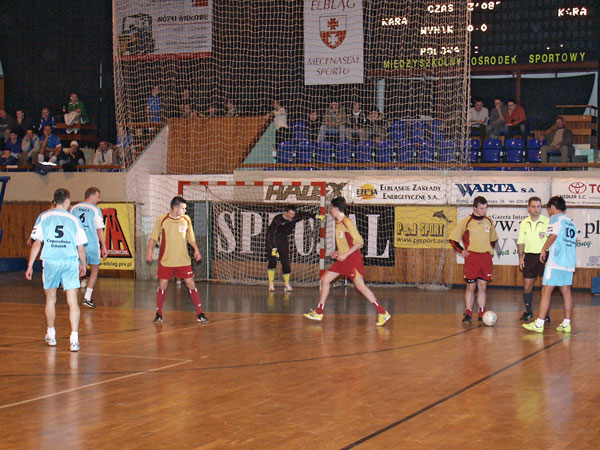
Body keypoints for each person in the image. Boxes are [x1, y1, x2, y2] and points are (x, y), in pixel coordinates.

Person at [304, 197, 391, 326]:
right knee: (325, 280)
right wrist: (338, 252)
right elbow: (347, 243)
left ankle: (382, 313)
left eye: (331, 208)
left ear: (335, 209)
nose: (330, 210)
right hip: (343, 259)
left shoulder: (347, 222)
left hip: (352, 259)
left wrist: (345, 255)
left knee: (360, 286)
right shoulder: (338, 223)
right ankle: (319, 311)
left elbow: (360, 242)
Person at [25, 188, 87, 352]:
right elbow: (80, 246)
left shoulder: (44, 216)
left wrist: (30, 265)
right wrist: (83, 264)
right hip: (69, 261)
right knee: (72, 300)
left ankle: (51, 334)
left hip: (51, 261)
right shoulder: (73, 219)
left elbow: (37, 243)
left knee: (50, 299)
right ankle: (74, 339)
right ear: (67, 202)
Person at [145, 196, 208, 324]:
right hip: (166, 260)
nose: (185, 211)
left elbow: (191, 238)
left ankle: (200, 313)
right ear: (175, 208)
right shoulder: (162, 220)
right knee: (162, 285)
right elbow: (153, 237)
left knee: (191, 284)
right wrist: (149, 251)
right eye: (183, 208)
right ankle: (159, 313)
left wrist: (196, 249)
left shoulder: (186, 220)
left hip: (183, 260)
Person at [523, 196, 577, 333]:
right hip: (569, 263)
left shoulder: (555, 219)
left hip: (556, 262)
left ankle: (539, 323)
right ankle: (566, 323)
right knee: (566, 291)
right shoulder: (571, 223)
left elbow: (553, 236)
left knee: (546, 290)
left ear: (552, 208)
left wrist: (543, 249)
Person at [449, 196, 498, 324]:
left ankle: (482, 313)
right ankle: (469, 312)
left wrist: (489, 249)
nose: (484, 211)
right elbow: (453, 239)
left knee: (483, 286)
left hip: (485, 258)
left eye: (486, 208)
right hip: (473, 258)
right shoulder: (466, 221)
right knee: (471, 286)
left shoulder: (489, 221)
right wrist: (461, 250)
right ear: (475, 208)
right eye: (481, 208)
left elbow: (494, 239)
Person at [71, 187, 107, 309]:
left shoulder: (74, 208)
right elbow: (99, 230)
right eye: (97, 196)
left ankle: (72, 298)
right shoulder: (95, 210)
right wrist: (104, 246)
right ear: (90, 196)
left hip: (77, 244)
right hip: (91, 244)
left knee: (76, 270)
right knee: (95, 269)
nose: (99, 199)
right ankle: (87, 297)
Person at [266, 205, 316, 292]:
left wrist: (315, 216)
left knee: (285, 262)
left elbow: (303, 214)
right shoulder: (277, 220)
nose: (291, 216)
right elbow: (271, 235)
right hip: (272, 241)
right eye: (290, 214)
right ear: (285, 213)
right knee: (272, 262)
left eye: (293, 214)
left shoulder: (294, 218)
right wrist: (273, 248)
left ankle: (286, 284)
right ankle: (271, 283)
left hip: (283, 241)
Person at [517, 196, 550, 322]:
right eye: (534, 206)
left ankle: (545, 314)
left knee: (546, 287)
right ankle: (528, 311)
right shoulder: (524, 223)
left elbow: (551, 239)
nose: (536, 209)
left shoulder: (547, 222)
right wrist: (521, 258)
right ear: (528, 208)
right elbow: (521, 242)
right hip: (529, 257)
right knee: (527, 286)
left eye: (538, 206)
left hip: (544, 256)